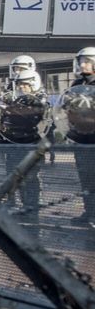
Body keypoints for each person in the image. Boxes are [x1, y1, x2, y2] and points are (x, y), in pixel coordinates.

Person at [0, 68, 49, 216]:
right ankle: (13, 202)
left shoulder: (40, 101)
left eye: (25, 85)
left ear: (33, 84)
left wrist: (12, 111)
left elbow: (35, 120)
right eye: (19, 85)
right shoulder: (16, 100)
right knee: (13, 176)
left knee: (30, 177)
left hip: (31, 144)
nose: (21, 88)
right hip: (15, 143)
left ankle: (31, 206)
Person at [67, 47, 95, 223]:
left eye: (87, 61)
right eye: (81, 61)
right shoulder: (76, 84)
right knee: (85, 177)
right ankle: (89, 211)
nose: (83, 64)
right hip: (81, 136)